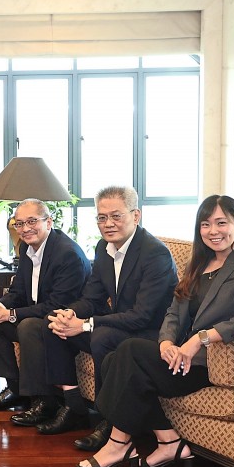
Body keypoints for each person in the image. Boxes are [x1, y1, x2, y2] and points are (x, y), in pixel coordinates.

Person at [78, 195, 234, 467]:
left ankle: (119, 444)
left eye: (221, 223)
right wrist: (166, 341)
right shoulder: (198, 265)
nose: (213, 231)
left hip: (207, 364)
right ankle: (169, 441)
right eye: (205, 224)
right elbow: (173, 312)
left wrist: (200, 338)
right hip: (179, 358)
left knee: (129, 351)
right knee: (115, 359)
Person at [36, 186, 177, 451]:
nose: (108, 224)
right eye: (102, 217)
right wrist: (72, 314)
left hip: (150, 333)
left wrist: (87, 324)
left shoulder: (154, 254)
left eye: (116, 216)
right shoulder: (104, 248)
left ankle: (108, 420)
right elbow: (93, 298)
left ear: (136, 216)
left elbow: (142, 315)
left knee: (102, 336)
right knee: (53, 321)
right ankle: (73, 404)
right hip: (121, 324)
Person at [0, 199, 90, 412]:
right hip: (39, 315)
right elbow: (17, 292)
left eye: (32, 221)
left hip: (62, 322)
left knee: (28, 327)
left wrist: (9, 314)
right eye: (19, 223)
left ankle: (42, 400)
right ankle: (15, 390)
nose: (25, 229)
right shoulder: (28, 248)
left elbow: (57, 305)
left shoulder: (67, 254)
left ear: (48, 222)